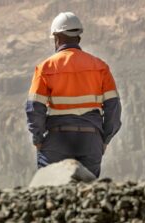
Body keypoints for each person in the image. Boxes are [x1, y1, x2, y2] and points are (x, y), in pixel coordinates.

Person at [26, 12, 121, 177]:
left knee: (52, 192)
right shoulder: (100, 67)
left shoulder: (45, 68)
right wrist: (105, 139)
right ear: (78, 38)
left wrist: (38, 139)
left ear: (56, 38)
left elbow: (34, 108)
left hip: (57, 138)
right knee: (87, 193)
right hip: (90, 139)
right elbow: (113, 108)